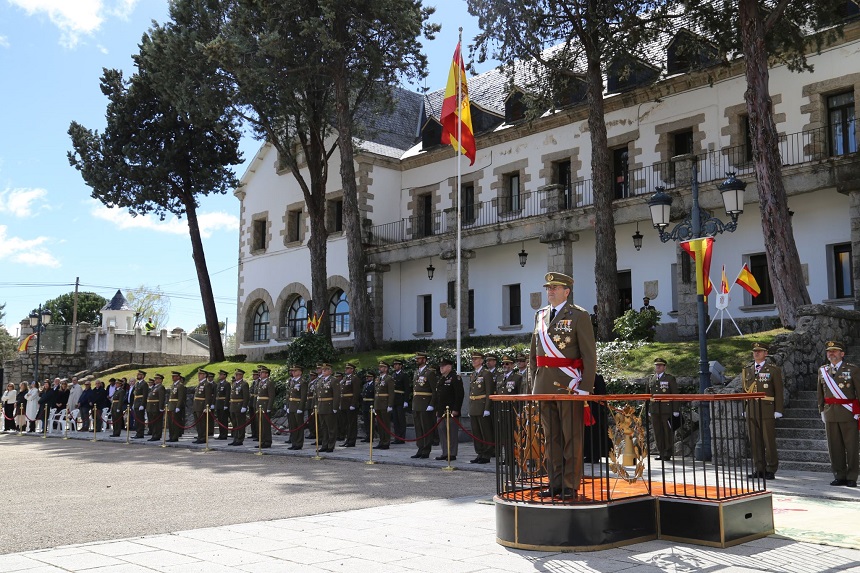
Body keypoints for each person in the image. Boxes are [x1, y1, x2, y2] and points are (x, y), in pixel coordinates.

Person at [530, 271, 597, 499]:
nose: (550, 291)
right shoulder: (540, 315)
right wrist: (534, 384)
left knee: (571, 437)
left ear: (566, 291)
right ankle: (555, 483)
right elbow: (534, 355)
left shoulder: (579, 315)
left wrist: (585, 387)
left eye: (555, 288)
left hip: (569, 385)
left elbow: (589, 355)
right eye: (548, 288)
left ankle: (570, 484)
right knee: (552, 438)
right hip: (544, 386)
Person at [817, 340, 860, 487]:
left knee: (851, 446)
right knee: (834, 447)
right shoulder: (823, 371)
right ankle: (839, 475)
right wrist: (821, 410)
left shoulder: (852, 369)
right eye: (829, 351)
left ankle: (852, 476)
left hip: (848, 413)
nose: (831, 353)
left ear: (842, 354)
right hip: (830, 413)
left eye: (835, 351)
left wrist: (858, 412)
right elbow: (820, 393)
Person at [742, 342, 784, 479]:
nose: (756, 353)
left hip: (766, 409)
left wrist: (778, 409)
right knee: (755, 441)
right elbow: (745, 391)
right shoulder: (747, 370)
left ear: (766, 353)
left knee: (768, 440)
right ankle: (759, 468)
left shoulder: (773, 370)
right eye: (755, 351)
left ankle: (771, 468)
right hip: (751, 409)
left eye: (760, 351)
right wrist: (745, 407)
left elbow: (778, 391)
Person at [647, 358, 679, 461]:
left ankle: (667, 452)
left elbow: (675, 395)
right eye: (656, 365)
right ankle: (660, 451)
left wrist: (675, 410)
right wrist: (648, 409)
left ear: (664, 367)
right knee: (657, 431)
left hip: (666, 409)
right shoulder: (651, 378)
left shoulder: (670, 379)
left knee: (667, 431)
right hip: (654, 409)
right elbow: (648, 395)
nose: (658, 367)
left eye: (660, 365)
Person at [434, 357, 464, 461]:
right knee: (442, 431)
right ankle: (445, 452)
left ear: (449, 367)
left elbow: (459, 395)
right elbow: (438, 395)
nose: (441, 368)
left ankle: (452, 453)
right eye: (440, 366)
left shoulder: (455, 378)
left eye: (443, 366)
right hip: (441, 410)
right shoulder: (442, 378)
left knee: (451, 432)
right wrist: (437, 409)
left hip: (451, 410)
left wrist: (456, 409)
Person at [467, 352, 494, 464]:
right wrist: (470, 408)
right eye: (473, 359)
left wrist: (487, 408)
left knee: (485, 432)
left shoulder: (486, 373)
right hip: (474, 406)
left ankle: (487, 454)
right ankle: (479, 452)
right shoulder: (473, 374)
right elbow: (470, 392)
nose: (474, 361)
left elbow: (489, 392)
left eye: (476, 359)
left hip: (482, 406)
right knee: (476, 432)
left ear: (482, 361)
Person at [411, 352, 437, 459]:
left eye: (419, 358)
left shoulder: (429, 372)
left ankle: (426, 449)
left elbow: (434, 390)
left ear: (425, 360)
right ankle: (420, 448)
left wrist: (431, 404)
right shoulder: (417, 372)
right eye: (417, 358)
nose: (417, 360)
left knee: (426, 427)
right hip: (417, 404)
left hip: (425, 404)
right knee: (418, 428)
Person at [313, 363, 341, 452]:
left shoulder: (333, 380)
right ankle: (324, 445)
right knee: (323, 427)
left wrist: (335, 407)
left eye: (326, 370)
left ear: (330, 371)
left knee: (331, 428)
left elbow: (336, 395)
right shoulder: (320, 380)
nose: (323, 371)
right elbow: (317, 395)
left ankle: (331, 445)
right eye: (323, 370)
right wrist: (316, 406)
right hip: (321, 406)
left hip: (329, 406)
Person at [373, 361, 395, 450]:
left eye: (382, 367)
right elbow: (376, 393)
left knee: (385, 424)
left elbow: (391, 393)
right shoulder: (378, 379)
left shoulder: (389, 379)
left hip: (385, 403)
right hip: (378, 403)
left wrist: (390, 405)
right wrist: (374, 405)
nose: (380, 368)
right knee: (380, 424)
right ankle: (381, 441)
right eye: (380, 367)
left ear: (386, 369)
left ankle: (386, 442)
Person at [286, 365, 308, 450]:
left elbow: (303, 396)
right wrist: (287, 405)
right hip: (291, 405)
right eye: (292, 371)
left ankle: (299, 443)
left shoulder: (302, 382)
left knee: (299, 425)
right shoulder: (292, 381)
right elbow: (288, 394)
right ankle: (294, 442)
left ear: (300, 372)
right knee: (292, 426)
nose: (293, 372)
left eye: (295, 371)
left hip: (298, 405)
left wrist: (300, 407)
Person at [339, 363, 361, 447]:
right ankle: (347, 440)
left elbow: (356, 392)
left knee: (352, 423)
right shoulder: (345, 379)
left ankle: (351, 440)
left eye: (348, 368)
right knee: (346, 423)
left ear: (352, 370)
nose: (346, 370)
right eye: (346, 368)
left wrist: (353, 403)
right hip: (344, 403)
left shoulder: (354, 379)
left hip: (350, 403)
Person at [229, 369, 250, 446]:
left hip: (239, 405)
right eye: (236, 374)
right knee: (234, 423)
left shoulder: (244, 384)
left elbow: (246, 396)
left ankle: (240, 439)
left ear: (241, 375)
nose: (236, 376)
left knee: (240, 423)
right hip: (233, 405)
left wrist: (244, 406)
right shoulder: (234, 384)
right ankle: (235, 438)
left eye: (238, 374)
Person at [192, 370, 214, 444]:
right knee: (198, 423)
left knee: (202, 423)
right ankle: (200, 436)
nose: (199, 375)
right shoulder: (200, 384)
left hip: (201, 406)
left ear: (205, 375)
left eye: (200, 374)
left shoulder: (207, 384)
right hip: (197, 405)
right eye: (199, 374)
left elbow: (208, 397)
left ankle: (203, 437)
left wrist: (206, 407)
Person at [390, 359, 409, 445]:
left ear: (400, 366)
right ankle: (397, 437)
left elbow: (407, 388)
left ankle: (402, 437)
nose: (395, 366)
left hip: (401, 399)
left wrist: (406, 400)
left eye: (397, 365)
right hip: (394, 399)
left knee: (401, 419)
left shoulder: (404, 375)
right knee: (395, 419)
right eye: (394, 365)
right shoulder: (393, 375)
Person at [256, 366, 274, 448]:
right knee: (260, 425)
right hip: (260, 406)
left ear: (267, 374)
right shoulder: (260, 382)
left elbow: (271, 396)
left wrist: (269, 407)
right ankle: (262, 441)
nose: (260, 374)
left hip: (265, 405)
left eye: (262, 373)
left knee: (266, 425)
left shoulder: (269, 382)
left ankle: (267, 441)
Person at [146, 374, 167, 441]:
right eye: (155, 379)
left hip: (156, 407)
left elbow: (161, 398)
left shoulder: (161, 387)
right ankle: (154, 434)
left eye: (157, 379)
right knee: (153, 422)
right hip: (151, 407)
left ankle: (157, 435)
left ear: (160, 380)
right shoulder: (154, 387)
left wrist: (161, 407)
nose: (155, 380)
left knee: (157, 422)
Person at [167, 372, 186, 442]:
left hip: (175, 406)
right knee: (170, 423)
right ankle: (171, 436)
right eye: (172, 376)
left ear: (178, 377)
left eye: (174, 376)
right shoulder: (173, 385)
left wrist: (178, 406)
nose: (173, 377)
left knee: (175, 422)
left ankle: (175, 436)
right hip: (171, 406)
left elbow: (180, 397)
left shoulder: (180, 385)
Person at [131, 370, 149, 439]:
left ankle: (140, 433)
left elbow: (145, 395)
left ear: (143, 376)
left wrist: (142, 404)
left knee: (140, 419)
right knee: (137, 419)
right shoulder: (137, 384)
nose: (137, 375)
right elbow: (135, 394)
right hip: (136, 402)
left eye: (139, 374)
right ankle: (138, 432)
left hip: (140, 403)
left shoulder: (144, 384)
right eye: (137, 374)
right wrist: (134, 403)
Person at [214, 369, 231, 440]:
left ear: (224, 376)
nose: (219, 376)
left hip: (223, 403)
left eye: (221, 374)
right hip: (219, 404)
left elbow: (227, 395)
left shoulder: (226, 384)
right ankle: (221, 434)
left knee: (224, 420)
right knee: (220, 420)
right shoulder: (219, 384)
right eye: (219, 374)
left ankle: (224, 434)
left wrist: (226, 404)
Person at [360, 371, 375, 442]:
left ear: (372, 377)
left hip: (371, 403)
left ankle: (371, 436)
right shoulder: (365, 385)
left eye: (368, 377)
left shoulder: (374, 385)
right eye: (366, 377)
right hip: (365, 404)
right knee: (366, 421)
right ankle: (367, 435)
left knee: (371, 421)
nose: (367, 378)